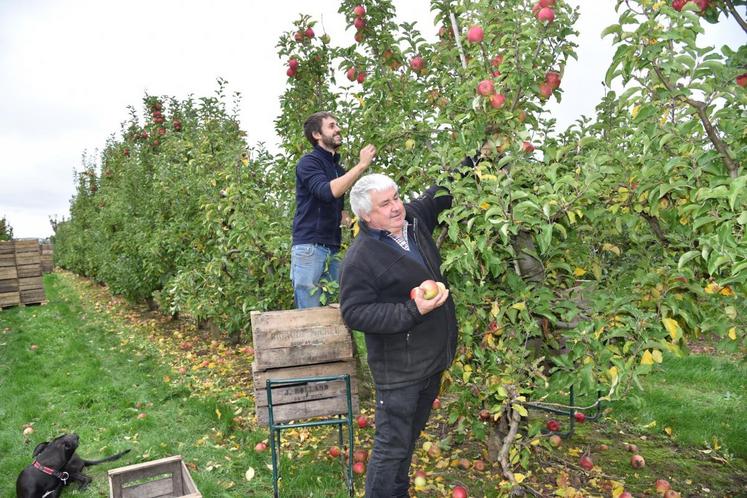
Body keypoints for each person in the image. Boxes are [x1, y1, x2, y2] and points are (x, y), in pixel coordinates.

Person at [339, 173, 458, 498]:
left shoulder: (414, 220)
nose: (397, 207)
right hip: (400, 370)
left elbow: (441, 192)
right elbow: (354, 312)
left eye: (396, 197)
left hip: (430, 362)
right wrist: (412, 310)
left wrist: (479, 157)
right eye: (386, 203)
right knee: (392, 446)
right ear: (366, 215)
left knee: (407, 439)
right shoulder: (361, 258)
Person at [291, 111, 376, 308]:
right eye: (331, 126)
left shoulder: (338, 169)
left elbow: (338, 209)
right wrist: (362, 165)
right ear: (316, 134)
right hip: (310, 246)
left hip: (333, 247)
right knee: (310, 313)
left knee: (335, 311)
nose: (338, 129)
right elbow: (327, 192)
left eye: (337, 125)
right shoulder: (308, 163)